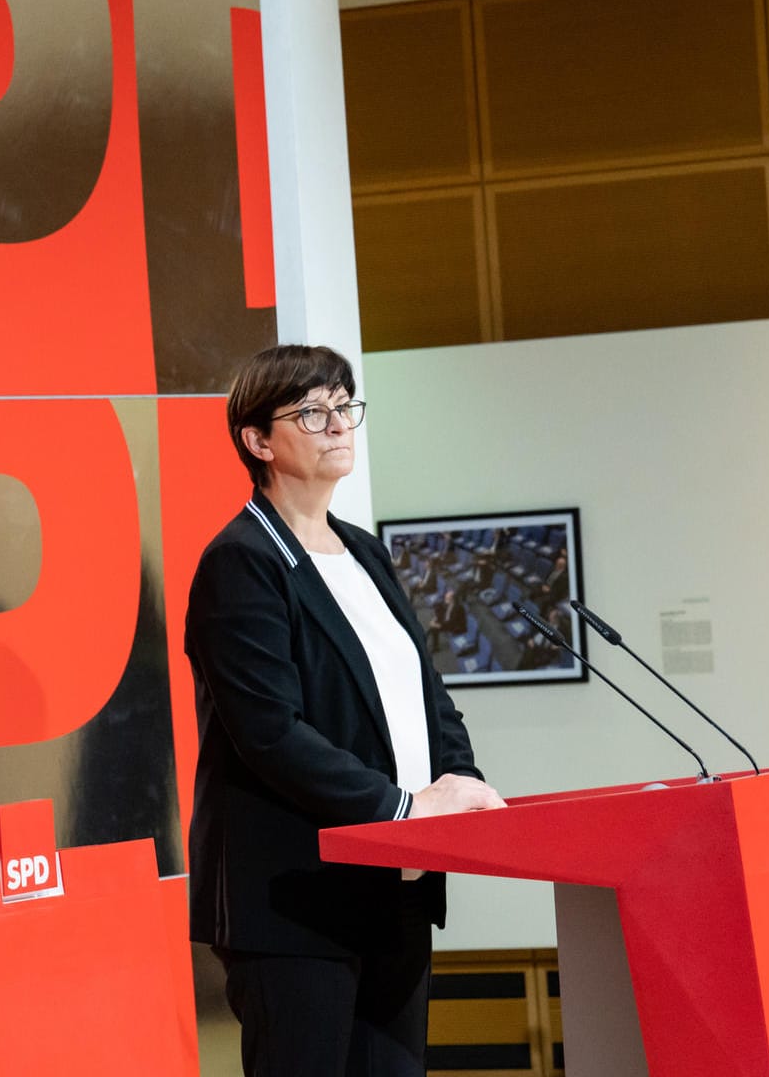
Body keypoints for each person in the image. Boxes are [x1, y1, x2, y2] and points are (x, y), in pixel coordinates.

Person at [185, 344, 506, 1077]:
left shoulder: (363, 552)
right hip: (295, 900)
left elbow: (427, 694)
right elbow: (269, 732)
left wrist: (460, 783)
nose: (337, 425)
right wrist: (402, 808)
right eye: (312, 412)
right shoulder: (241, 561)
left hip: (394, 887)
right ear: (258, 442)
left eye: (344, 406)